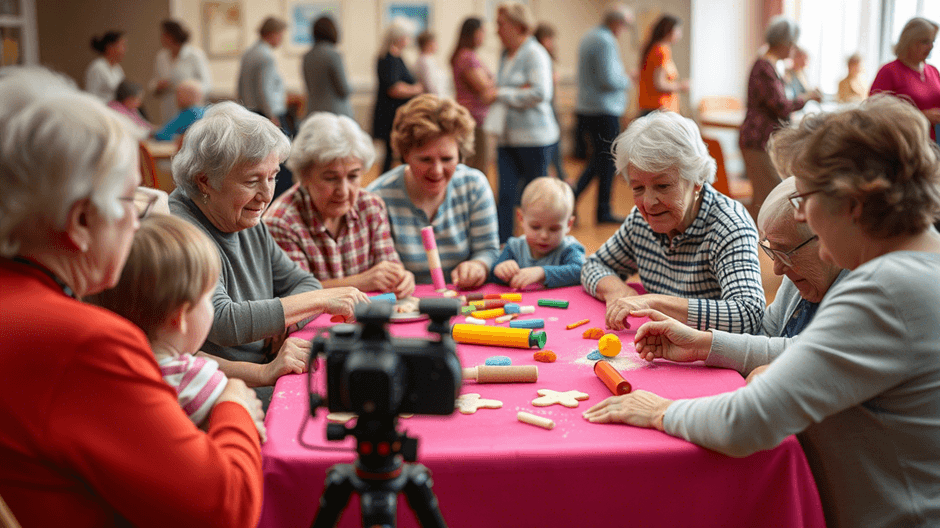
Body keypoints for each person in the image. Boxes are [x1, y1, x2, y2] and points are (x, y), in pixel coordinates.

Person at [584, 94, 940, 528]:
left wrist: (659, 410)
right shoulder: (919, 264)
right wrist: (705, 344)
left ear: (852, 202)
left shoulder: (884, 289)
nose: (802, 214)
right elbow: (801, 351)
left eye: (804, 199)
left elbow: (747, 422)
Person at [0, 67, 264, 528]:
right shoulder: (80, 341)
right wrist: (234, 401)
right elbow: (227, 508)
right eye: (130, 200)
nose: (139, 220)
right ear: (82, 221)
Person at [169, 101, 368, 403]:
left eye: (273, 176)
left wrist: (283, 319)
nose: (266, 195)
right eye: (251, 181)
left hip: (262, 375)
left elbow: (304, 282)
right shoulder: (181, 232)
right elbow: (222, 322)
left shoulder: (243, 215)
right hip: (222, 392)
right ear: (205, 181)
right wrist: (321, 300)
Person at [628, 177, 848, 381]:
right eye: (773, 252)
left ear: (829, 240)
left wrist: (700, 344)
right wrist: (697, 343)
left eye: (786, 253)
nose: (777, 269)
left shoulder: (860, 291)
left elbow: (809, 352)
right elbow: (766, 334)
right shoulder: (801, 275)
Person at [581, 110, 765, 334]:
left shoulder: (729, 226)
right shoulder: (640, 221)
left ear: (697, 180)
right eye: (638, 188)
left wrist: (654, 302)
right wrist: (618, 291)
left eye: (663, 186)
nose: (648, 203)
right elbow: (594, 265)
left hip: (711, 353)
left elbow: (749, 314)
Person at [87, 214, 266, 440]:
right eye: (208, 298)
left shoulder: (106, 375)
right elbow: (252, 437)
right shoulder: (195, 378)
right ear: (179, 317)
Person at [264, 112, 415, 298]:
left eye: (353, 176)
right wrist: (360, 281)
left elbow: (389, 270)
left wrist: (400, 279)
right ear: (304, 176)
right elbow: (294, 293)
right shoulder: (281, 222)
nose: (343, 191)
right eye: (330, 178)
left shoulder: (371, 206)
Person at [367, 94, 499, 289]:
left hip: (463, 297)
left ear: (460, 154)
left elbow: (488, 249)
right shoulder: (378, 197)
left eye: (447, 159)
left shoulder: (474, 186)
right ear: (405, 154)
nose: (437, 171)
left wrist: (479, 265)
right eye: (425, 159)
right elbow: (377, 268)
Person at [491, 1, 560, 243]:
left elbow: (541, 93)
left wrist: (501, 93)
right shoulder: (504, 54)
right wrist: (518, 89)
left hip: (535, 139)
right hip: (507, 138)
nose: (496, 30)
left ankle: (537, 246)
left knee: (535, 200)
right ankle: (502, 247)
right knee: (506, 197)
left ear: (518, 26)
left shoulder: (534, 53)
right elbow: (520, 91)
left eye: (501, 24)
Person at [739, 16, 820, 216]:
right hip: (758, 140)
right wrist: (807, 97)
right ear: (784, 43)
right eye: (792, 43)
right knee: (768, 200)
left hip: (764, 140)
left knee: (767, 198)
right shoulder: (764, 67)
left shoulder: (773, 66)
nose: (794, 48)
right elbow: (780, 106)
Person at [573, 4, 634, 225]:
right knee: (605, 160)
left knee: (599, 159)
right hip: (603, 110)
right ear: (617, 23)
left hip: (588, 108)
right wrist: (629, 79)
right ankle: (600, 209)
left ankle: (578, 200)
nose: (624, 32)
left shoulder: (590, 36)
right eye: (625, 26)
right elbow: (609, 79)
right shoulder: (606, 40)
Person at [492, 176, 585, 289]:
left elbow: (581, 271)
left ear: (569, 224)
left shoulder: (570, 248)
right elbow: (492, 276)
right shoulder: (514, 247)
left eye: (554, 229)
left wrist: (542, 273)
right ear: (521, 218)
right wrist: (500, 270)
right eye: (535, 227)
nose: (544, 236)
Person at [870, 17, 940, 139]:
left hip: (932, 144)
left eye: (932, 42)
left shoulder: (933, 71)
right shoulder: (889, 71)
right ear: (910, 42)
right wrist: (920, 116)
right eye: (925, 42)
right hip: (902, 142)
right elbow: (874, 113)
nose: (931, 47)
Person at [373, 18, 424, 174]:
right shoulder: (389, 58)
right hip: (390, 113)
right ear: (399, 38)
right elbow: (394, 88)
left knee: (396, 152)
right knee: (393, 152)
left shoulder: (395, 57)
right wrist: (416, 89)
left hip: (396, 112)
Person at [451, 17, 497, 175]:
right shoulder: (466, 57)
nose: (484, 35)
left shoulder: (468, 55)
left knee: (478, 164)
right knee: (478, 168)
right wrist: (494, 81)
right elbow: (483, 86)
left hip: (475, 117)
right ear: (473, 33)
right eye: (482, 31)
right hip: (474, 119)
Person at [152, 19, 212, 125]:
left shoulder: (195, 55)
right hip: (168, 108)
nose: (161, 38)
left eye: (164, 34)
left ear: (172, 36)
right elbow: (154, 82)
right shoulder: (161, 57)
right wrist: (158, 86)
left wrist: (188, 91)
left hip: (190, 110)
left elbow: (207, 84)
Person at [238, 17, 289, 134]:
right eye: (280, 35)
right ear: (272, 34)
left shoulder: (249, 53)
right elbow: (265, 89)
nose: (281, 40)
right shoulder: (266, 56)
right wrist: (271, 115)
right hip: (266, 112)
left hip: (249, 110)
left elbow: (240, 85)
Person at [534, 22, 568, 184]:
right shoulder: (538, 55)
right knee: (553, 145)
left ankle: (560, 175)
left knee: (555, 144)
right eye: (550, 38)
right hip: (545, 108)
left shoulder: (544, 56)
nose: (552, 43)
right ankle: (560, 176)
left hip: (551, 105)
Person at [302, 16, 353, 118]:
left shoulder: (307, 57)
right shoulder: (333, 55)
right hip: (336, 113)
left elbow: (308, 87)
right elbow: (344, 90)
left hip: (314, 112)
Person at [637, 15, 689, 115]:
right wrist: (681, 86)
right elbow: (659, 83)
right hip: (660, 108)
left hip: (648, 106)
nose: (680, 35)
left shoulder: (652, 48)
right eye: (678, 31)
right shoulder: (662, 50)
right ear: (669, 31)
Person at [85, 30, 126, 102]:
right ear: (110, 47)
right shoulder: (97, 67)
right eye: (122, 45)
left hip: (114, 107)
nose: (124, 50)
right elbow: (91, 95)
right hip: (99, 106)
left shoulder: (118, 69)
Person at [414, 30, 446, 96]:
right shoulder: (425, 62)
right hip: (433, 98)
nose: (437, 44)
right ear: (428, 44)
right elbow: (431, 86)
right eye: (435, 42)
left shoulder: (427, 60)